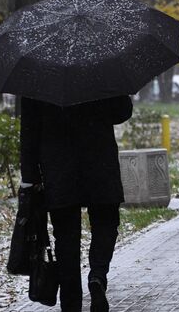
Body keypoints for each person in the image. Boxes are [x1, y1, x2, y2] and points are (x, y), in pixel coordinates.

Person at [20, 95, 133, 312]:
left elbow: (29, 129)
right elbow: (122, 112)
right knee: (106, 223)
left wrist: (30, 177)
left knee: (65, 239)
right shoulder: (101, 65)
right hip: (99, 162)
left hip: (59, 168)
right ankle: (97, 276)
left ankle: (71, 305)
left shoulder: (38, 73)